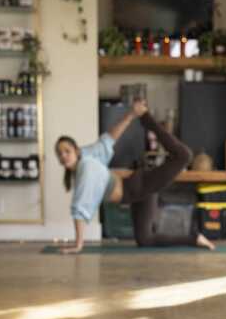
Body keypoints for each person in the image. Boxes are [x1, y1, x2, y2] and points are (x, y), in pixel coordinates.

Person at [54, 99, 214, 253]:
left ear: (76, 150)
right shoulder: (89, 157)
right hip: (136, 194)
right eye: (59, 154)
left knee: (184, 156)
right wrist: (130, 115)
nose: (63, 156)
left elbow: (80, 207)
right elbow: (109, 138)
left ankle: (148, 119)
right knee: (145, 240)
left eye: (67, 151)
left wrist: (78, 244)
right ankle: (195, 238)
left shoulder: (85, 166)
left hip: (141, 184)